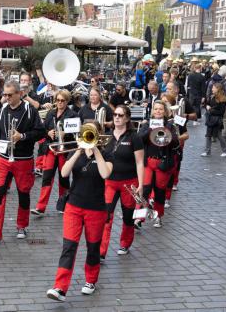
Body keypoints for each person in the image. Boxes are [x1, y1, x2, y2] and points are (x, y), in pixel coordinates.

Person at [46, 124, 113, 302]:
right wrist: (78, 150)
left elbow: (105, 174)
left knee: (92, 248)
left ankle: (90, 280)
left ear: (98, 135)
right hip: (74, 206)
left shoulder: (106, 154)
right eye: (85, 133)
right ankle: (60, 287)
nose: (87, 135)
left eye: (90, 133)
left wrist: (95, 149)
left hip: (96, 208)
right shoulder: (77, 152)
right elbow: (64, 172)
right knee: (68, 247)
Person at [0, 80, 45, 242]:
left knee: (23, 194)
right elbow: (0, 136)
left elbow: (40, 132)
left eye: (10, 95)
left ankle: (21, 225)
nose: (6, 98)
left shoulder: (30, 111)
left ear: (19, 94)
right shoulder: (2, 110)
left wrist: (22, 136)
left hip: (23, 160)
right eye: (4, 95)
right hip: (3, 159)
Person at [100, 105, 144, 258]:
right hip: (110, 182)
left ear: (127, 118)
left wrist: (141, 185)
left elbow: (139, 162)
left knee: (128, 216)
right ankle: (101, 251)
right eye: (115, 115)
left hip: (129, 183)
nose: (117, 117)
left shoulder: (134, 137)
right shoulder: (106, 136)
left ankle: (125, 243)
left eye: (120, 115)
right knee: (106, 216)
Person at [31, 90, 77, 216]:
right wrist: (48, 133)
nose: (60, 103)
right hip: (51, 149)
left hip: (64, 150)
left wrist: (65, 133)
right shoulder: (51, 113)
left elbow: (77, 133)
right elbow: (42, 130)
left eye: (62, 100)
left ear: (67, 101)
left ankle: (63, 204)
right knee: (47, 177)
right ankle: (41, 207)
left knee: (64, 178)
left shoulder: (72, 115)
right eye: (58, 100)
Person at [137, 101, 179, 228]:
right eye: (156, 109)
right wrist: (150, 129)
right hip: (148, 161)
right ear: (153, 111)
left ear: (164, 111)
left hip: (162, 162)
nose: (158, 111)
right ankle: (139, 219)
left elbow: (176, 143)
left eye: (160, 109)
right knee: (144, 191)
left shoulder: (170, 125)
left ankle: (158, 217)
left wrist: (166, 131)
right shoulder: (147, 124)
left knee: (160, 192)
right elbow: (139, 139)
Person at [201, 83, 226, 157]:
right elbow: (207, 105)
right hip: (210, 119)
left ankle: (225, 151)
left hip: (217, 120)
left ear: (218, 89)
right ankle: (207, 151)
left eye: (213, 88)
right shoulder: (212, 96)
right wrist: (205, 104)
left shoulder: (223, 99)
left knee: (219, 135)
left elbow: (221, 112)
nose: (212, 89)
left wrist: (210, 109)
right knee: (208, 135)